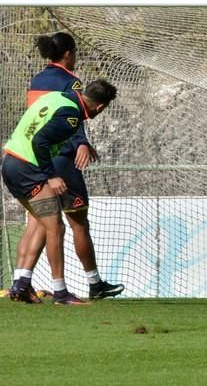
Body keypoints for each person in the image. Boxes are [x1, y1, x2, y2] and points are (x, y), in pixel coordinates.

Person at [7, 32, 123, 303]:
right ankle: (63, 291)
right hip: (33, 167)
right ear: (101, 106)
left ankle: (21, 283)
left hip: (13, 163)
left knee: (41, 221)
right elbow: (42, 140)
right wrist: (53, 174)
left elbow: (34, 127)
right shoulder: (71, 99)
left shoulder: (43, 87)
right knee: (64, 224)